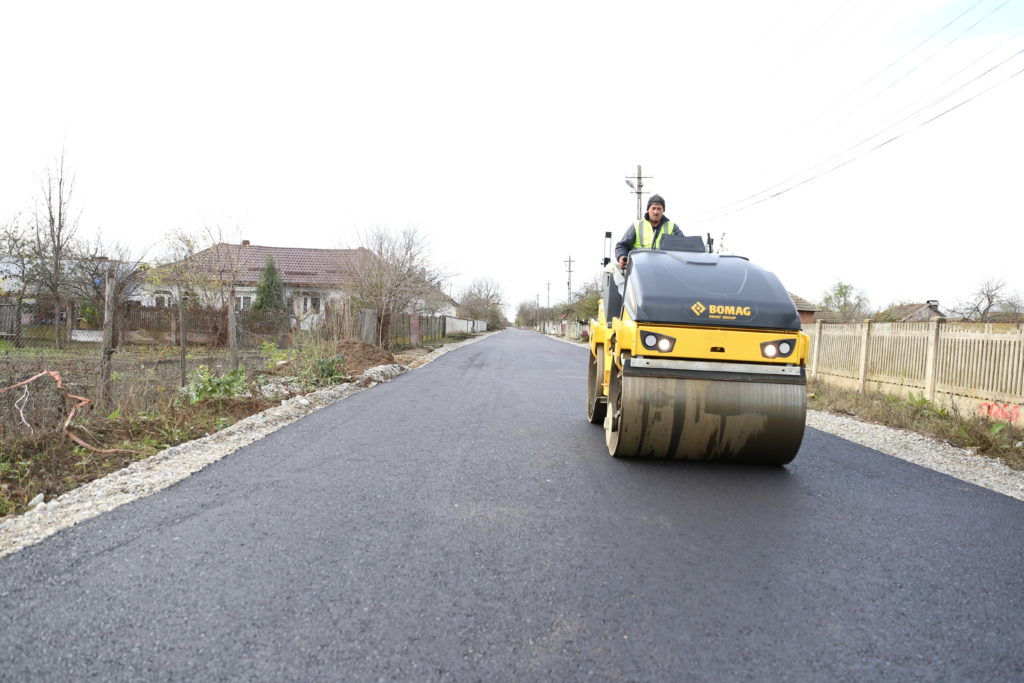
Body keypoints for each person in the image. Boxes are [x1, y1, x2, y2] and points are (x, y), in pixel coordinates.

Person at [614, 194, 684, 268]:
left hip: (665, 269)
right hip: (640, 269)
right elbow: (621, 246)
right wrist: (621, 256)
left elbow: (684, 246)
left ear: (663, 210)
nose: (656, 212)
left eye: (659, 209)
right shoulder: (637, 225)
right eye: (653, 208)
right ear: (648, 209)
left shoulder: (672, 226)